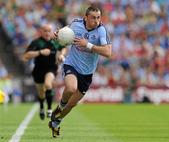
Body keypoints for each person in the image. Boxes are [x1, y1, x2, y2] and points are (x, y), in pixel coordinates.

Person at [48, 6, 112, 137]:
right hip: (71, 64)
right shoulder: (76, 23)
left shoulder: (102, 30)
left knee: (71, 104)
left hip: (87, 73)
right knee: (71, 88)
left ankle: (56, 122)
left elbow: (108, 52)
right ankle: (60, 106)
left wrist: (87, 44)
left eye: (98, 17)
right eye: (93, 18)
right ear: (86, 18)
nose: (97, 20)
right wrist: (57, 34)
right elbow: (65, 32)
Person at [23, 24, 67, 120]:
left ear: (52, 31)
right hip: (38, 70)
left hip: (51, 68)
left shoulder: (55, 42)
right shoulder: (36, 42)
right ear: (41, 31)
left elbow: (63, 48)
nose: (47, 33)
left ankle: (50, 109)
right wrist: (40, 52)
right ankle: (42, 106)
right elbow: (26, 56)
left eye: (49, 31)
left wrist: (61, 55)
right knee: (41, 93)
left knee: (48, 84)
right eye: (45, 31)